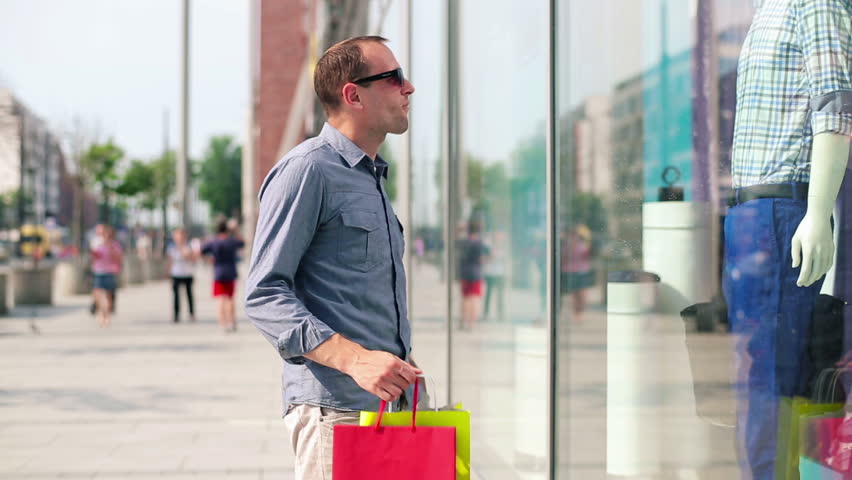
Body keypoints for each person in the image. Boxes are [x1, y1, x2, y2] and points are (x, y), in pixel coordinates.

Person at [244, 36, 422, 479]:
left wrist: (396, 356)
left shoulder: (371, 177)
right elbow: (264, 293)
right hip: (334, 412)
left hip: (385, 409)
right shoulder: (307, 170)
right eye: (394, 78)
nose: (409, 87)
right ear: (353, 94)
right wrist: (356, 358)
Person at [725, 1, 852, 478]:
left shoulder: (812, 2)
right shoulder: (767, 10)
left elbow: (836, 107)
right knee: (756, 374)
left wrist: (818, 212)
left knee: (774, 379)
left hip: (782, 210)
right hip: (751, 211)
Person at [201, 220, 244, 332]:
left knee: (220, 299)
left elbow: (202, 250)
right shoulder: (231, 241)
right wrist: (236, 230)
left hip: (218, 272)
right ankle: (232, 322)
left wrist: (209, 259)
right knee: (230, 298)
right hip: (231, 271)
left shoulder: (214, 242)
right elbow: (243, 243)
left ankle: (223, 324)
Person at [458, 220, 489, 330]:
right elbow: (483, 258)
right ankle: (472, 324)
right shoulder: (479, 243)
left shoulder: (464, 242)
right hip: (476, 272)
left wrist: (461, 228)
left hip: (465, 272)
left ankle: (463, 320)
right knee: (475, 298)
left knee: (465, 298)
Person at [90, 224, 122, 327]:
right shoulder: (97, 243)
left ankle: (107, 315)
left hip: (109, 272)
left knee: (108, 297)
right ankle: (100, 313)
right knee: (98, 295)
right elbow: (94, 257)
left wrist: (110, 248)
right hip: (98, 271)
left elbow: (118, 258)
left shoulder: (114, 245)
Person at [560, 224, 594, 322]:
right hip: (569, 272)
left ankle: (579, 313)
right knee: (575, 296)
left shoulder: (583, 245)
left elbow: (588, 256)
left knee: (582, 296)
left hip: (582, 272)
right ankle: (577, 314)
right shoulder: (565, 246)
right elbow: (563, 259)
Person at [166, 227, 197, 323]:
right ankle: (176, 315)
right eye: (178, 235)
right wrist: (168, 272)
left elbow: (193, 259)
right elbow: (169, 261)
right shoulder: (171, 247)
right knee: (176, 296)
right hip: (176, 273)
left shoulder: (189, 246)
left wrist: (186, 254)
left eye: (182, 235)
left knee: (189, 294)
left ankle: (191, 314)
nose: (180, 237)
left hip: (187, 273)